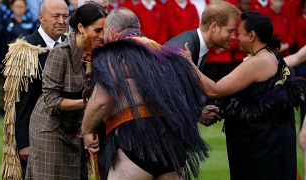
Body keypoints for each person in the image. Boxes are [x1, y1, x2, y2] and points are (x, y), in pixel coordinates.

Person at [81, 7, 208, 180]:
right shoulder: (164, 53)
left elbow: (102, 101)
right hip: (172, 147)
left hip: (135, 143)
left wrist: (87, 131)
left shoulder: (113, 54)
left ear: (111, 32)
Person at [188, 11, 306, 180]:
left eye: (239, 33)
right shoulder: (272, 55)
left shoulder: (257, 63)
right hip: (271, 147)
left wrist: (188, 63)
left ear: (252, 36)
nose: (235, 37)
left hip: (259, 152)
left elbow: (214, 89)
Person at [26, 3, 107, 179]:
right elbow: (51, 101)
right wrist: (89, 103)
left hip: (74, 130)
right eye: (98, 30)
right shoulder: (60, 53)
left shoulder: (96, 54)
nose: (102, 36)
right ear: (80, 28)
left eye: (104, 31)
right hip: (49, 130)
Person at [5, 0, 69, 177]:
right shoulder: (26, 50)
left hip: (67, 135)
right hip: (37, 136)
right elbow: (19, 100)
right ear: (41, 17)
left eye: (65, 16)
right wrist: (24, 142)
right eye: (55, 16)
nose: (62, 21)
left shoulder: (70, 45)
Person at [165, 1, 241, 124]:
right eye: (230, 30)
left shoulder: (197, 45)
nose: (234, 36)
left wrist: (201, 109)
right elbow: (169, 98)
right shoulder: (183, 49)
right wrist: (198, 113)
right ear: (214, 27)